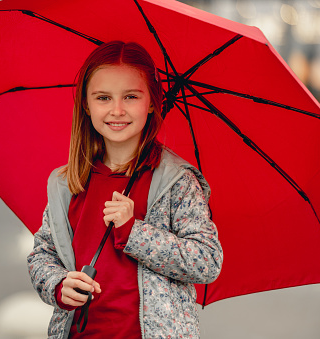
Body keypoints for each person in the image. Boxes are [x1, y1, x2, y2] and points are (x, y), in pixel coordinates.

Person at [27, 41, 223, 339]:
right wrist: (58, 284)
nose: (117, 110)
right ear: (86, 104)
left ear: (152, 102)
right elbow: (43, 254)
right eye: (103, 97)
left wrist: (135, 232)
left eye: (131, 96)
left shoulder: (177, 182)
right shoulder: (67, 183)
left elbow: (206, 260)